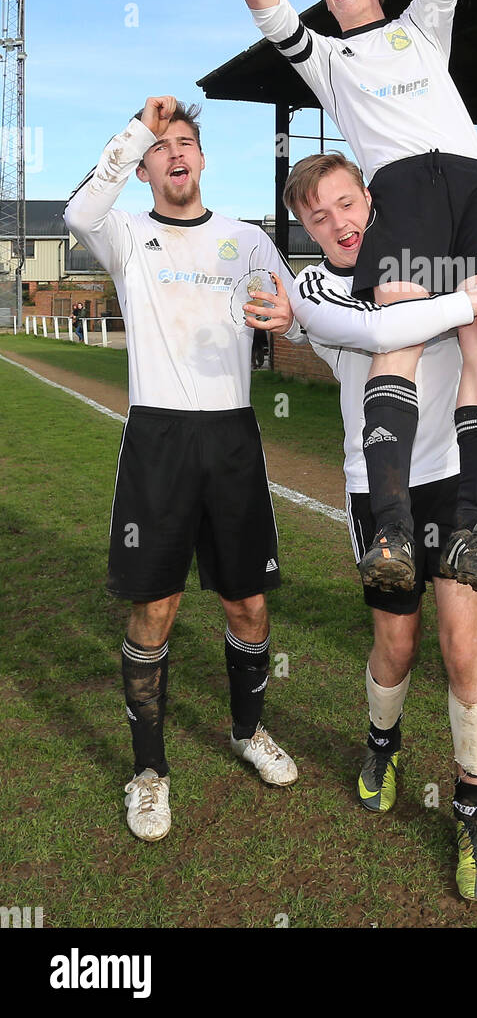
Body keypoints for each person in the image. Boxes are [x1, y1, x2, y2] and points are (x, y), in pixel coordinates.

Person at [241, 0, 477, 602]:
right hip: (399, 184)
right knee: (397, 325)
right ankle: (393, 528)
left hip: (471, 179)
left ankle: (476, 527)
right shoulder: (326, 59)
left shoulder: (422, 27)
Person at [244, 152, 477, 901]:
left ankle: (475, 807)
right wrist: (471, 297)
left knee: (464, 643)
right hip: (376, 485)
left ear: (368, 200)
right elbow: (377, 334)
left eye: (347, 204)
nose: (338, 223)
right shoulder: (316, 286)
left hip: (455, 478)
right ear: (305, 228)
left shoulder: (428, 255)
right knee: (395, 646)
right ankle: (384, 744)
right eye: (318, 216)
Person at [64, 97, 301, 842]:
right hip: (158, 441)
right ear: (144, 167)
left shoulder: (246, 238)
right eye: (161, 148)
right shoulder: (127, 233)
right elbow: (78, 210)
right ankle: (149, 772)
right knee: (154, 610)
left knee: (248, 607)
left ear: (202, 159)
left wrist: (285, 317)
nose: (176, 154)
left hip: (233, 438)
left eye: (186, 144)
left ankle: (247, 730)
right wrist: (139, 121)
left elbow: (291, 306)